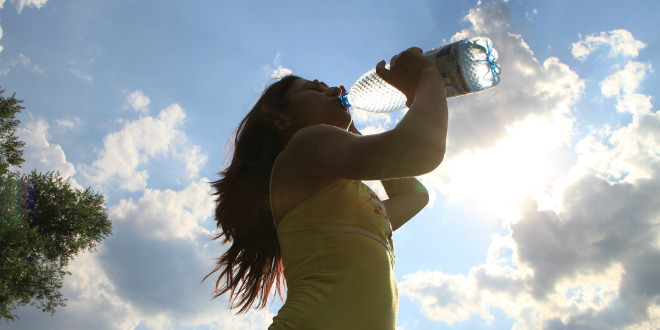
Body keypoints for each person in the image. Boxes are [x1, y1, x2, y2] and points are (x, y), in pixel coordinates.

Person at [205, 47, 448, 329]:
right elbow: (421, 151)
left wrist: (353, 130)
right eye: (315, 90)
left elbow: (414, 197)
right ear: (283, 119)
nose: (334, 89)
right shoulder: (304, 145)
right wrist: (429, 77)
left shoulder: (347, 204)